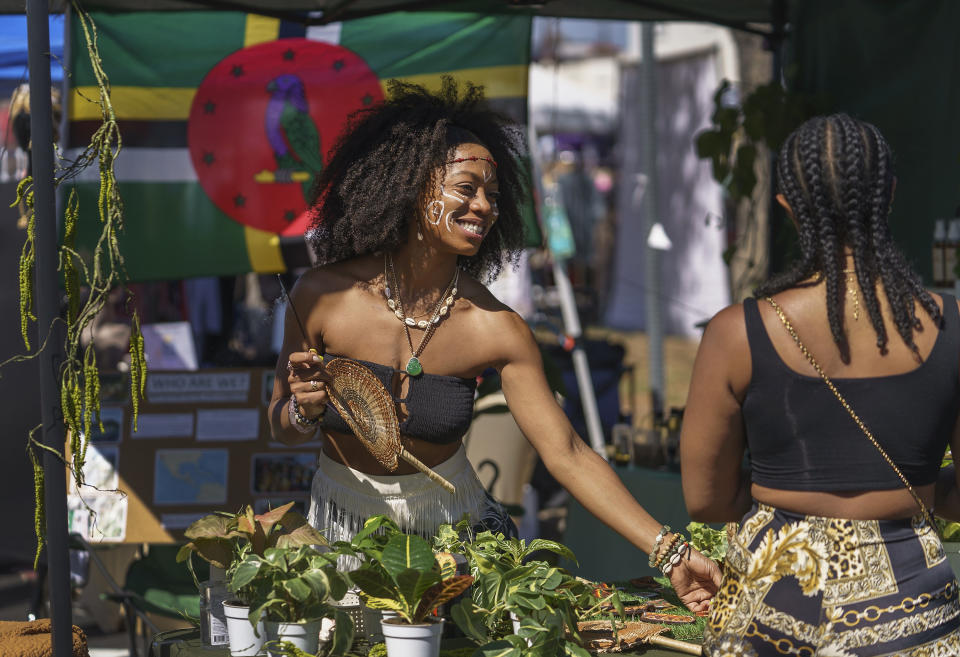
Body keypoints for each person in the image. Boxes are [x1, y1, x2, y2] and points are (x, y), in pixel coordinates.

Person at [269, 78, 720, 611]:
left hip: (450, 548)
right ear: (413, 188)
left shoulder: (496, 328)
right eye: (466, 188)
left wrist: (668, 551)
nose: (483, 206)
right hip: (338, 533)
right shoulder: (323, 297)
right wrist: (303, 409)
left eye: (492, 195)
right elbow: (278, 426)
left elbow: (569, 454)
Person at [680, 114, 960, 655]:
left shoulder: (737, 332)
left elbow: (706, 500)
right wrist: (915, 490)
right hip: (907, 602)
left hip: (773, 600)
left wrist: (786, 501)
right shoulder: (950, 325)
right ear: (890, 197)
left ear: (786, 204)